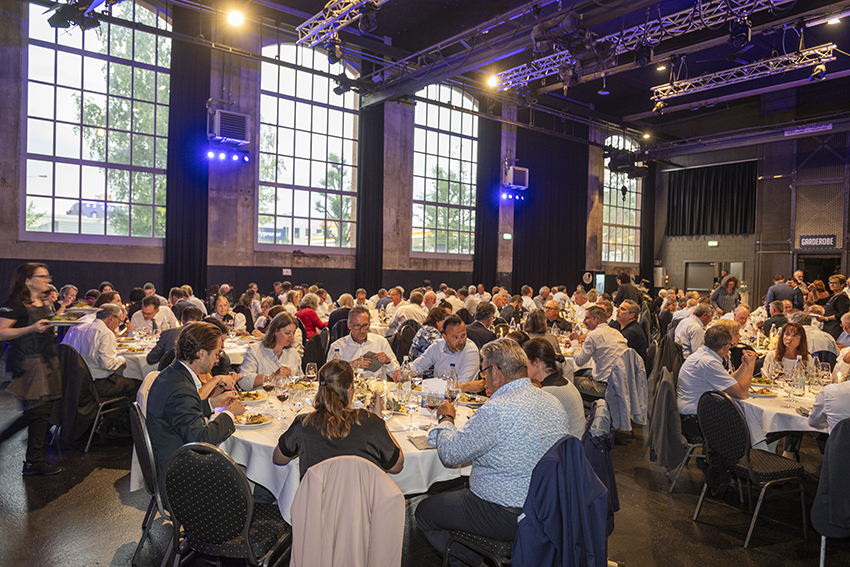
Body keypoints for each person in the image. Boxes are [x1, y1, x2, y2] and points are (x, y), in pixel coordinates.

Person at [415, 339, 569, 565]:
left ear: (496, 371)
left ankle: (466, 561)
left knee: (425, 512)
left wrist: (446, 418)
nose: (483, 378)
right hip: (547, 507)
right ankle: (472, 554)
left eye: (484, 371)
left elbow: (450, 454)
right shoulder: (552, 402)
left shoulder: (497, 409)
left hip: (505, 512)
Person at [273, 359, 403, 478]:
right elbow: (397, 466)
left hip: (317, 501)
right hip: (360, 502)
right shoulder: (370, 422)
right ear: (350, 388)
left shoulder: (304, 424)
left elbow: (278, 458)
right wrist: (379, 419)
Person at [145, 322, 245, 474]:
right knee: (243, 469)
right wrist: (230, 413)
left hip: (170, 454)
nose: (217, 361)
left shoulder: (173, 373)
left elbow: (180, 414)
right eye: (216, 354)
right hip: (181, 471)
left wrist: (211, 404)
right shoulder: (181, 388)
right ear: (201, 353)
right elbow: (201, 440)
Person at [0, 263, 62, 475]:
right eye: (42, 276)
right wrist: (31, 328)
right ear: (27, 280)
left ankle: (33, 461)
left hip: (46, 360)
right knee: (37, 410)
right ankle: (5, 440)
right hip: (28, 362)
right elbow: (1, 332)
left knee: (43, 410)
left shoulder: (43, 301)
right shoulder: (15, 304)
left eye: (47, 276)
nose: (48, 280)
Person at [677, 326, 757, 440]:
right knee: (745, 423)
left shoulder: (703, 355)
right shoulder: (708, 363)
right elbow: (741, 393)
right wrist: (751, 365)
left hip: (692, 412)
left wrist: (744, 365)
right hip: (694, 419)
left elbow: (727, 382)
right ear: (726, 347)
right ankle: (733, 455)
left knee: (741, 415)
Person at [523, 338, 584, 436]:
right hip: (575, 443)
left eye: (525, 361)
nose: (524, 367)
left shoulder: (548, 393)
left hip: (568, 447)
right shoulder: (564, 382)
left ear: (536, 362)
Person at [569, 305, 627, 399]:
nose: (584, 321)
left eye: (587, 318)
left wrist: (574, 341)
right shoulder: (617, 333)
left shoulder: (593, 335)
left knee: (568, 380)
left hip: (603, 387)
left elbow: (579, 361)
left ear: (597, 319)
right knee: (584, 373)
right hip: (620, 386)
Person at [327, 306, 398, 379]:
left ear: (369, 324)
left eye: (365, 325)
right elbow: (328, 375)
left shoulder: (380, 342)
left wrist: (388, 361)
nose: (362, 330)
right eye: (357, 326)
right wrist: (350, 366)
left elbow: (397, 373)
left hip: (376, 388)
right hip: (348, 388)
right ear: (349, 325)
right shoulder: (337, 346)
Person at [405, 315, 479, 382]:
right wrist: (404, 371)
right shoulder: (437, 346)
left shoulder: (471, 351)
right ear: (445, 337)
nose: (461, 341)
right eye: (455, 337)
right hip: (437, 393)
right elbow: (418, 365)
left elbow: (460, 385)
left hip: (462, 395)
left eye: (463, 335)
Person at [239, 312, 302, 390]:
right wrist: (272, 376)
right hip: (262, 400)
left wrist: (305, 379)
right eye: (287, 333)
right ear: (275, 331)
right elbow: (244, 381)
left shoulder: (292, 352)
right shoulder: (255, 350)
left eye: (293, 333)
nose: (291, 336)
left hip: (285, 398)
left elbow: (298, 378)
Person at [610, 299, 648, 365]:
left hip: (631, 370)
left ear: (631, 315)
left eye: (622, 309)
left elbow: (612, 350)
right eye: (619, 307)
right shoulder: (617, 324)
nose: (617, 310)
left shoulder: (632, 332)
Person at [818, 275, 850, 340]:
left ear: (842, 285)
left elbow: (842, 313)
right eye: (830, 283)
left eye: (835, 283)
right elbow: (819, 301)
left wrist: (826, 318)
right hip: (828, 326)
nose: (832, 285)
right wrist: (813, 291)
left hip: (835, 328)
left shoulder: (842, 297)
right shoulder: (833, 296)